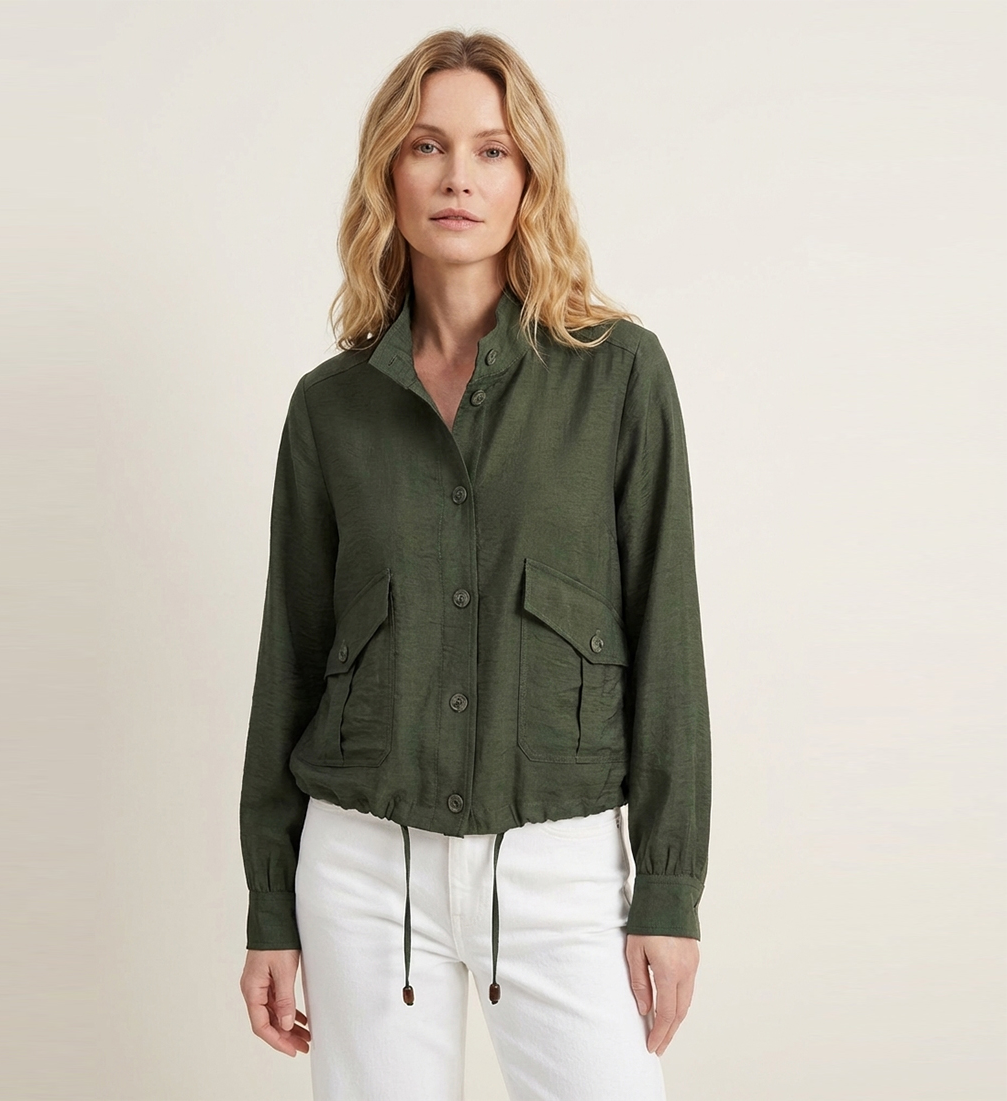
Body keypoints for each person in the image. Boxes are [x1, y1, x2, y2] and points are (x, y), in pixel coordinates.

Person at [238, 27, 711, 1101]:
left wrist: (670, 889)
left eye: (492, 150)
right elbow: (289, 662)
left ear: (528, 178)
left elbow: (668, 637)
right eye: (428, 146)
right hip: (364, 872)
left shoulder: (618, 375)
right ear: (388, 175)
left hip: (562, 869)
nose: (459, 177)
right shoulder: (330, 408)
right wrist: (271, 904)